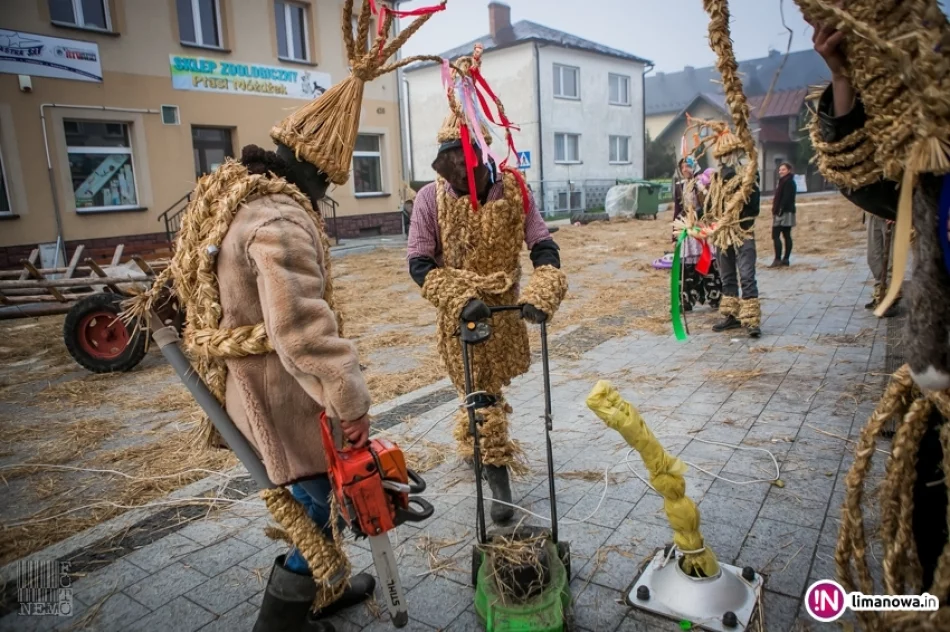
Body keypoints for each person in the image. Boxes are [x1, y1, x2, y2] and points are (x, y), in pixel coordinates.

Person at [125, 2, 443, 629]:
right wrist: (351, 404)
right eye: (327, 188)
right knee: (322, 507)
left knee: (312, 501)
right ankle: (283, 614)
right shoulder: (280, 218)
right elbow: (301, 331)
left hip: (254, 385)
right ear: (315, 174)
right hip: (280, 393)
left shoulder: (231, 195)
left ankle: (328, 589)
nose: (323, 201)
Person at [811, 16, 949, 594]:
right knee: (924, 544)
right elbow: (864, 177)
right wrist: (845, 80)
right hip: (939, 395)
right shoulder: (934, 160)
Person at [406, 49, 567, 525]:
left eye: (464, 162)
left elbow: (543, 246)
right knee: (480, 394)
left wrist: (543, 290)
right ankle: (497, 476)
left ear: (480, 154)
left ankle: (478, 444)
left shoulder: (514, 189)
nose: (458, 174)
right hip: (461, 312)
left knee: (488, 388)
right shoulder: (429, 200)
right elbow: (418, 263)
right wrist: (457, 298)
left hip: (506, 311)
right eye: (448, 165)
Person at [711, 161, 762, 338]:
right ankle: (732, 316)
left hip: (743, 232)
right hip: (723, 236)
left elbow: (754, 208)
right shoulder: (716, 179)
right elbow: (711, 206)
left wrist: (736, 211)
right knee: (727, 277)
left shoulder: (749, 177)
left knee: (747, 275)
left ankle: (751, 320)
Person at [673, 158, 722, 310]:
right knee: (686, 267)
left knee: (708, 263)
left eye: (687, 166)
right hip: (686, 230)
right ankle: (686, 300)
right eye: (682, 167)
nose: (684, 169)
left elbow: (709, 205)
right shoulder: (679, 186)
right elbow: (677, 210)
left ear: (694, 167)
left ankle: (715, 297)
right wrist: (674, 235)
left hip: (701, 229)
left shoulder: (702, 183)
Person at [865, 215, 899, 316]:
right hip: (872, 214)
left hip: (889, 216)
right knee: (873, 257)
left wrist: (893, 211)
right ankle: (880, 294)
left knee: (890, 259)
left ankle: (889, 299)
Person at [769, 162, 796, 267]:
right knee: (786, 235)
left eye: (783, 169)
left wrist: (780, 209)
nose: (781, 171)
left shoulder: (788, 182)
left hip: (784, 212)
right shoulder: (783, 181)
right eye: (780, 170)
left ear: (789, 170)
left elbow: (787, 198)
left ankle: (779, 259)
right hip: (782, 211)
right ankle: (784, 259)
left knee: (777, 235)